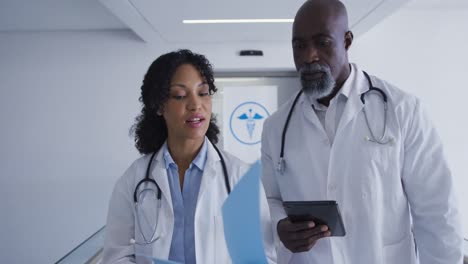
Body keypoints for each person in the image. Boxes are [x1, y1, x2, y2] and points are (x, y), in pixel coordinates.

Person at [261, 0, 463, 263]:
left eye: (322, 42)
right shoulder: (277, 126)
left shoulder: (402, 110)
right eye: (299, 46)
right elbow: (268, 199)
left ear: (346, 41)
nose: (309, 56)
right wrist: (279, 226)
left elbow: (437, 213)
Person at [102, 49, 276, 264]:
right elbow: (116, 256)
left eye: (202, 93)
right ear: (159, 106)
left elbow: (260, 258)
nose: (195, 105)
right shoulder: (134, 179)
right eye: (180, 96)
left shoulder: (239, 176)